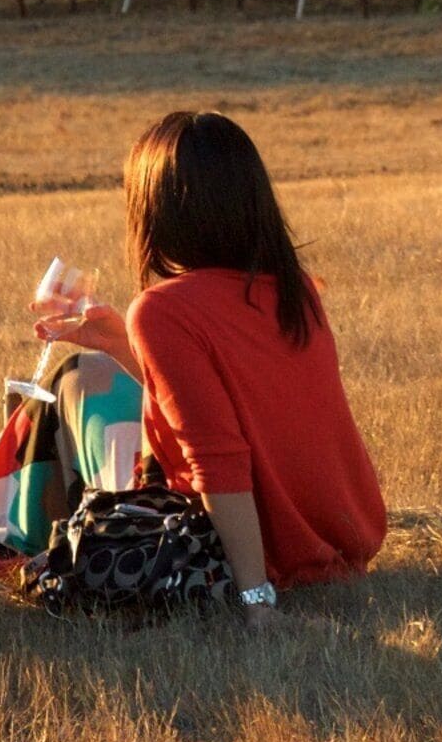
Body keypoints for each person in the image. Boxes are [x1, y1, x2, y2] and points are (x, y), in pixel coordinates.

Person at [34, 110, 386, 620]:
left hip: (254, 553)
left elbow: (217, 460)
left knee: (69, 392)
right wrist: (117, 344)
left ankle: (18, 539)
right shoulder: (294, 288)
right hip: (344, 536)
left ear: (154, 211)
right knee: (85, 374)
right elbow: (242, 408)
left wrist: (256, 596)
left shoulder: (164, 309)